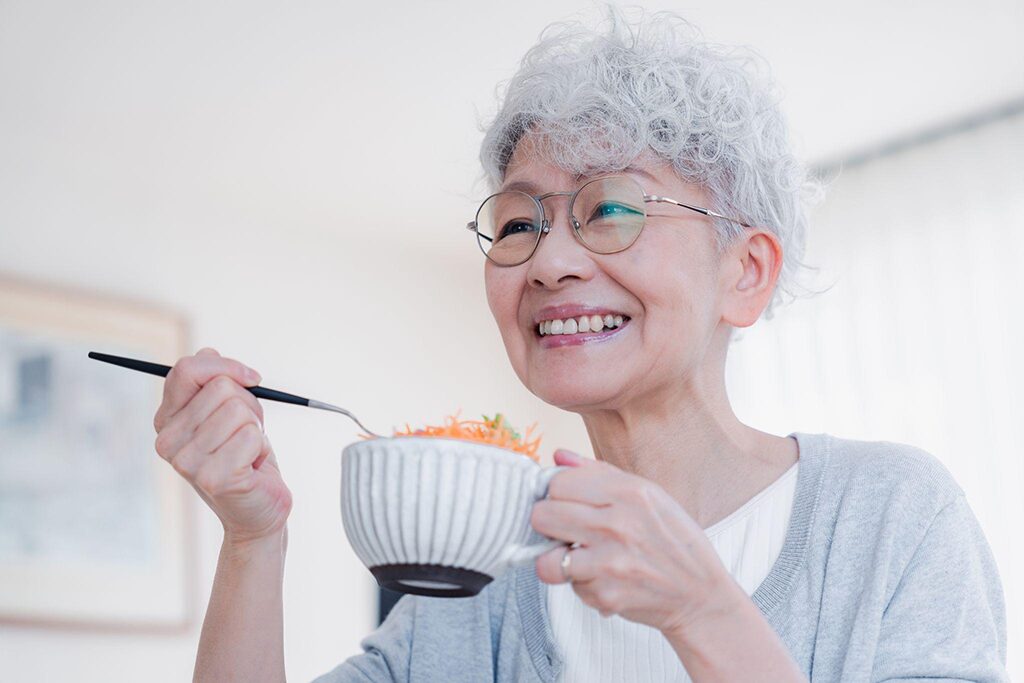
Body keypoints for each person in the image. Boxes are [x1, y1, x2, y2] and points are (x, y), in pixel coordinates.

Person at [152, 8, 1009, 682]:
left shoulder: (891, 516)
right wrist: (252, 540)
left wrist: (705, 611)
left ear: (746, 273)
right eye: (520, 220)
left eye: (612, 208)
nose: (551, 260)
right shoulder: (484, 557)